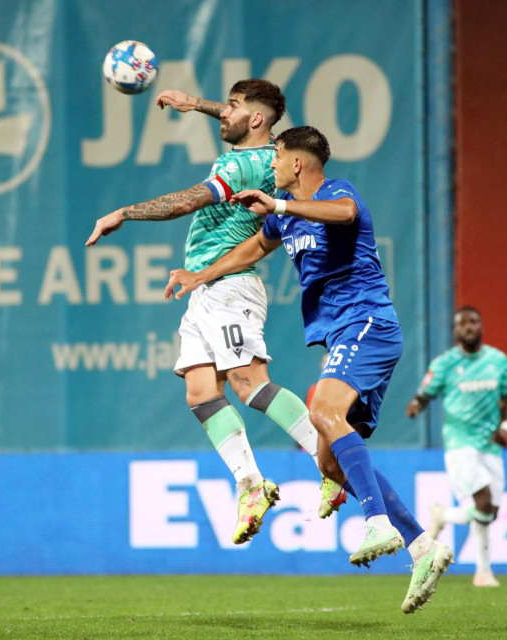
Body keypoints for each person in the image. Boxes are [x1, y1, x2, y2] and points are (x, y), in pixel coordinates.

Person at [164, 125, 453, 614]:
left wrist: (279, 206)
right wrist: (201, 276)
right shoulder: (285, 218)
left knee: (322, 408)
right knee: (329, 462)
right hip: (343, 335)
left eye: (276, 156)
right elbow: (251, 250)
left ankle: (376, 522)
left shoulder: (336, 193)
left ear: (297, 163)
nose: (271, 165)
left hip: (368, 322)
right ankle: (423, 545)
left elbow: (345, 215)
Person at [86, 81, 345, 545]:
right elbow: (241, 120)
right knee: (201, 393)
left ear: (257, 120)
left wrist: (124, 212)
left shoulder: (245, 163)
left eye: (232, 107)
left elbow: (187, 201)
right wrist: (195, 104)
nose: (223, 114)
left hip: (229, 289)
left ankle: (329, 463)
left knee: (251, 384)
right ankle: (251, 484)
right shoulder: (263, 152)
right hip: (208, 286)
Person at [406, 306, 507, 587]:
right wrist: (417, 404)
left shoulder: (498, 360)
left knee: (489, 511)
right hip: (460, 443)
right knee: (483, 500)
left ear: (481, 326)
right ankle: (484, 572)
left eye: (474, 322)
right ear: (455, 331)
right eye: (462, 324)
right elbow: (425, 393)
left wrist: (505, 426)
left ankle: (444, 518)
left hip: (490, 444)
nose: (469, 327)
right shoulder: (445, 364)